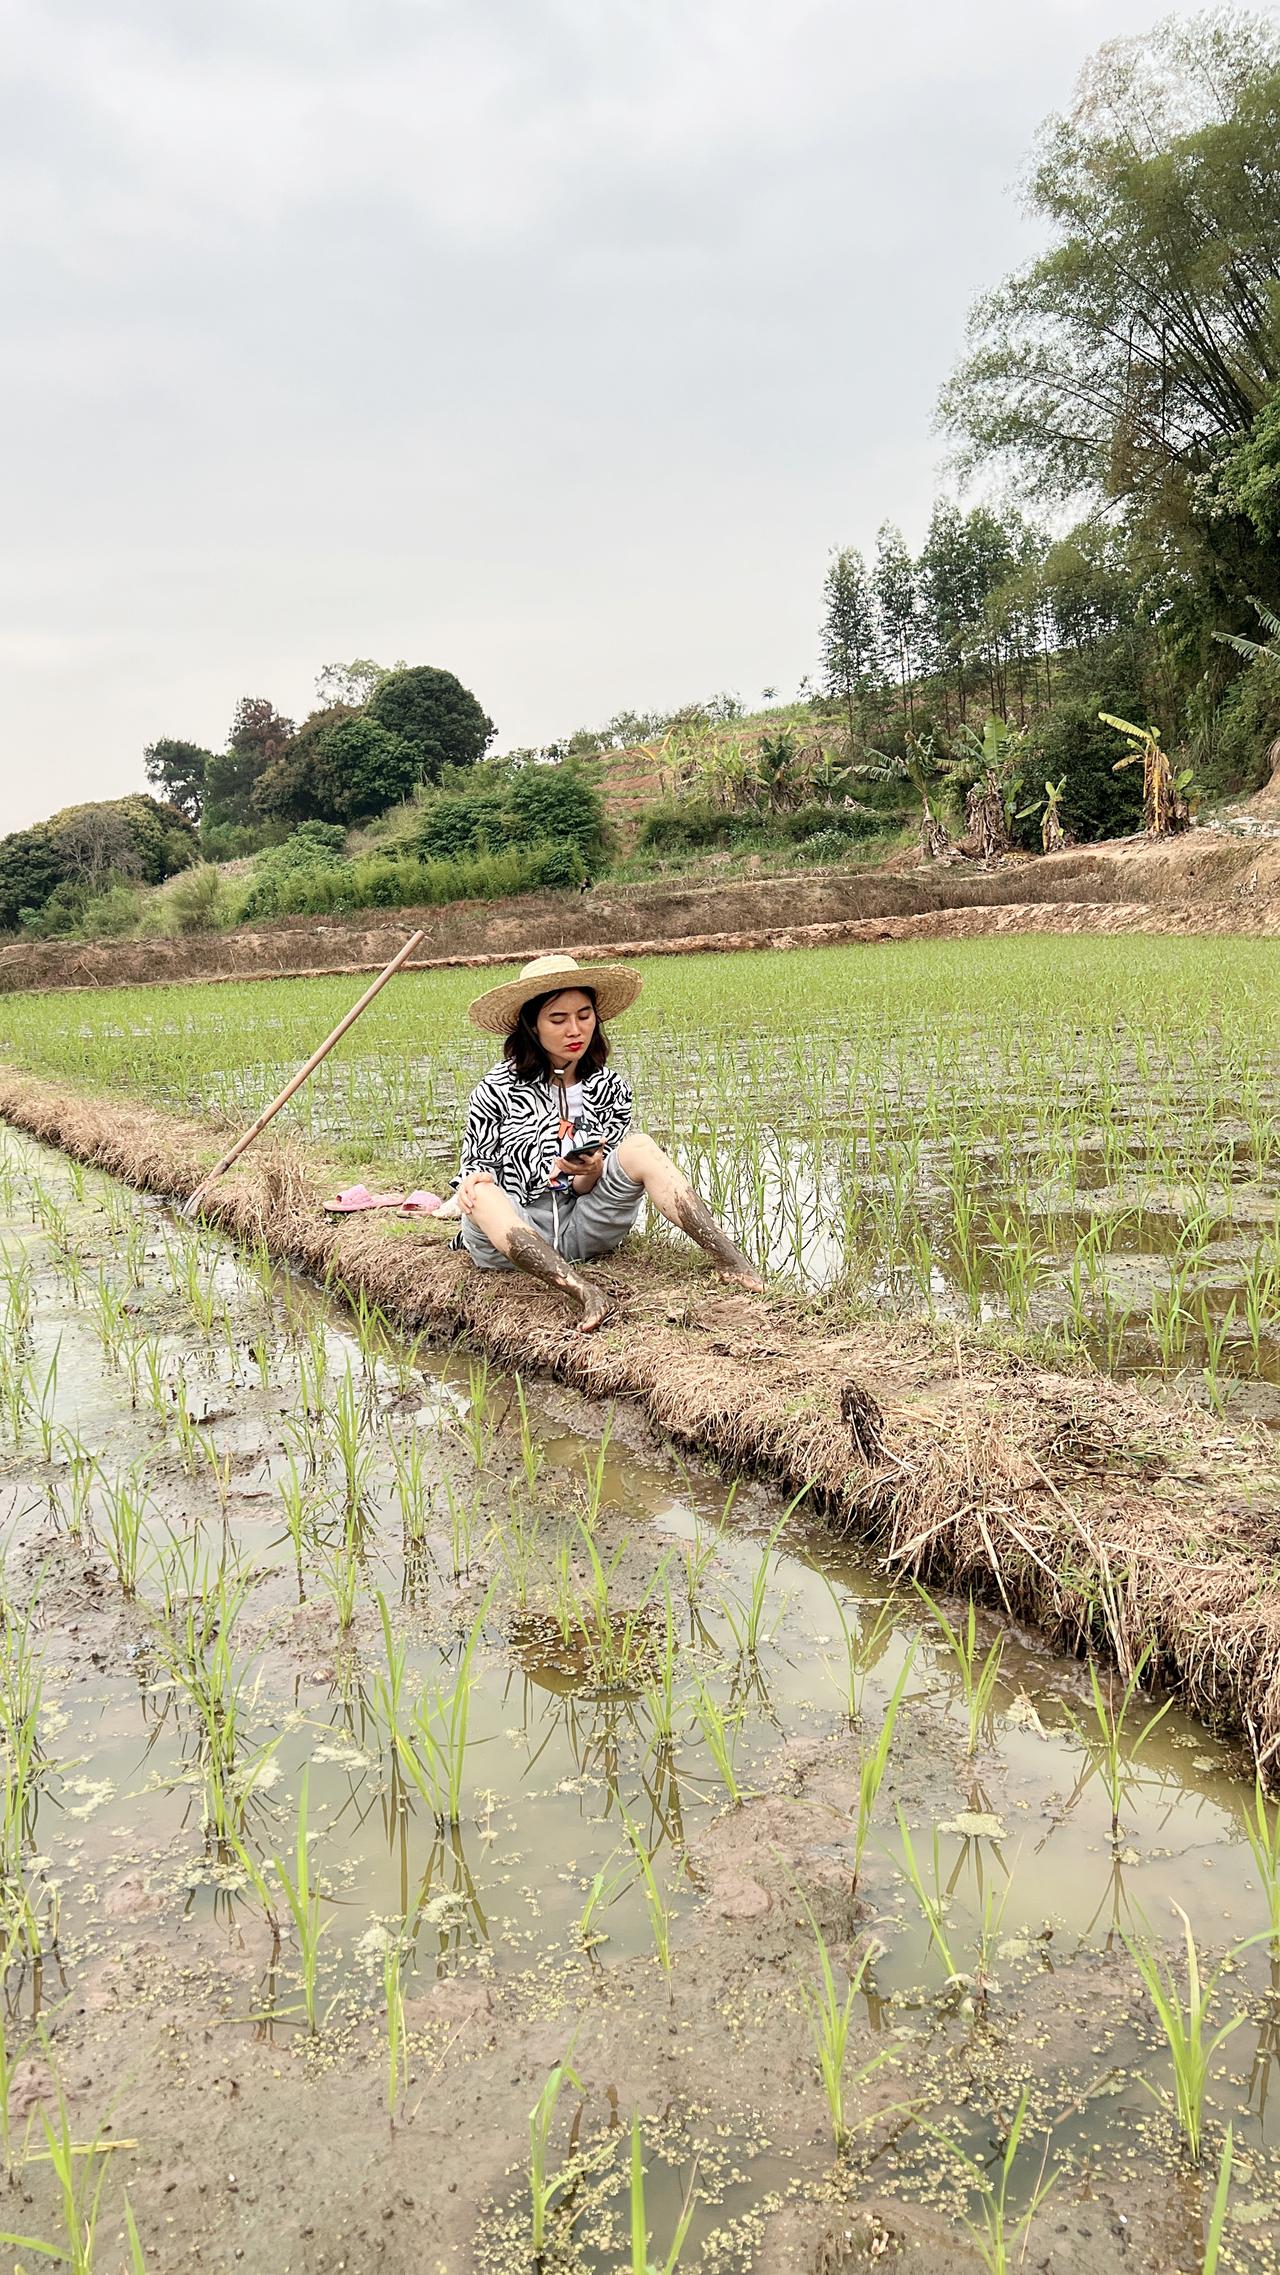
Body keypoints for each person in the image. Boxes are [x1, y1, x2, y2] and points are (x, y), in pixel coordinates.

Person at [454, 952, 763, 1331]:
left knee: (640, 1147)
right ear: (532, 1026)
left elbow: (584, 1188)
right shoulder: (496, 1088)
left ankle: (732, 1260)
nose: (575, 1030)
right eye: (558, 1019)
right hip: (514, 1235)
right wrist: (474, 1182)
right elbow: (476, 1169)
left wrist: (590, 1170)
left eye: (584, 1016)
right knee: (481, 1193)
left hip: (583, 1227)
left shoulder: (610, 1089)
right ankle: (585, 1292)